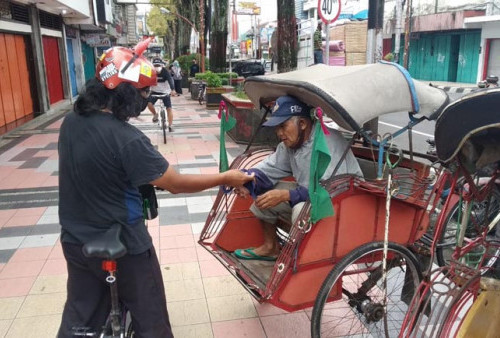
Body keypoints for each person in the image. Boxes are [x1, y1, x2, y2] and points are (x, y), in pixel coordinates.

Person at [57, 41, 254, 337]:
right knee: (151, 319)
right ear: (124, 93)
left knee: (80, 315)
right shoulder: (127, 139)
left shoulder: (70, 123)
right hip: (125, 244)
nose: (145, 98)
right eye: (143, 91)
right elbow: (175, 184)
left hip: (75, 240)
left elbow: (96, 169)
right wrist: (224, 178)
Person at [233, 95, 363, 260]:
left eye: (283, 126)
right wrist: (246, 180)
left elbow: (331, 190)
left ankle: (305, 262)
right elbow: (269, 168)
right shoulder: (291, 144)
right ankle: (271, 247)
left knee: (301, 210)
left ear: (302, 123)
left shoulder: (327, 141)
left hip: (344, 202)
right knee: (265, 195)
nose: (279, 133)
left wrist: (287, 195)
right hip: (311, 195)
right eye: (277, 128)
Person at [147, 58, 175, 131]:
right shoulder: (150, 72)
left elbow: (170, 80)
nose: (157, 67)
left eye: (158, 65)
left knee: (169, 108)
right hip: (154, 92)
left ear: (162, 65)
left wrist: (173, 90)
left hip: (165, 92)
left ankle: (170, 125)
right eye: (155, 65)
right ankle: (155, 114)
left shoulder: (165, 72)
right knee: (149, 104)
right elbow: (145, 81)